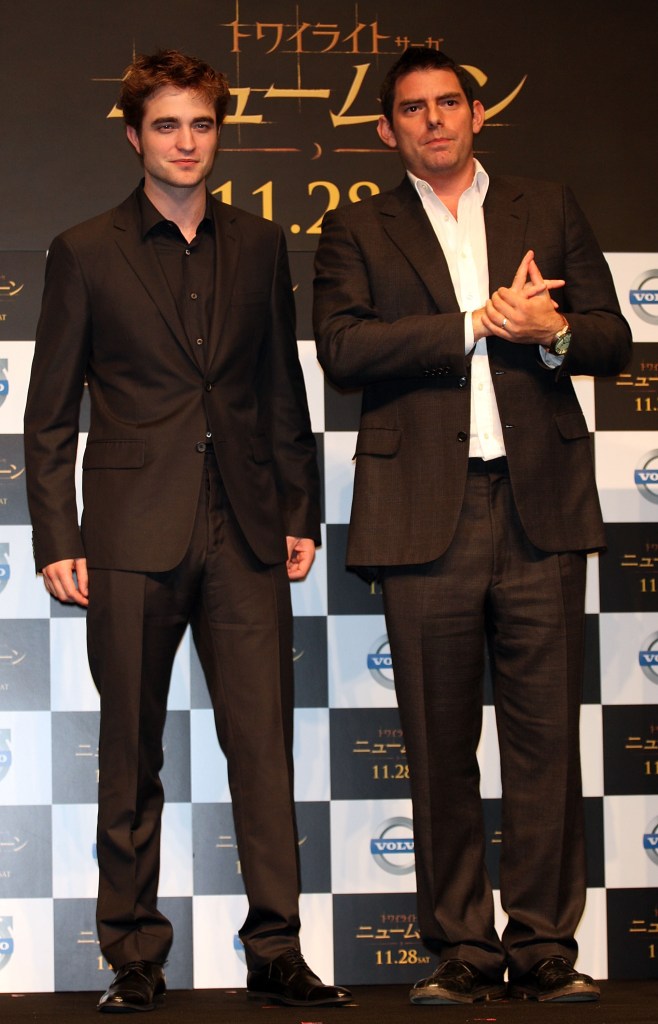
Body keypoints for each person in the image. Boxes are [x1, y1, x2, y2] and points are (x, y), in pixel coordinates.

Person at [24, 49, 352, 1013]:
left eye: (201, 124)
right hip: (129, 534)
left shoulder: (261, 244)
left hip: (246, 529)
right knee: (131, 752)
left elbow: (280, 390)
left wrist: (297, 510)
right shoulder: (84, 249)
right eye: (166, 125)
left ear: (218, 134)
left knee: (263, 750)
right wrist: (57, 535)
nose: (186, 142)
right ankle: (133, 955)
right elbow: (49, 416)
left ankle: (277, 951)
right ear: (134, 137)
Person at [314, 46, 631, 1005]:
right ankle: (460, 945)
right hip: (424, 514)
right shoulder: (355, 227)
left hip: (540, 506)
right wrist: (475, 324)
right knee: (438, 743)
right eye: (412, 109)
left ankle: (543, 947)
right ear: (387, 130)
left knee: (546, 741)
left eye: (448, 103)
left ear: (477, 114)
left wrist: (552, 333)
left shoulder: (549, 206)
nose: (434, 121)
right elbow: (343, 350)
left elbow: (612, 337)